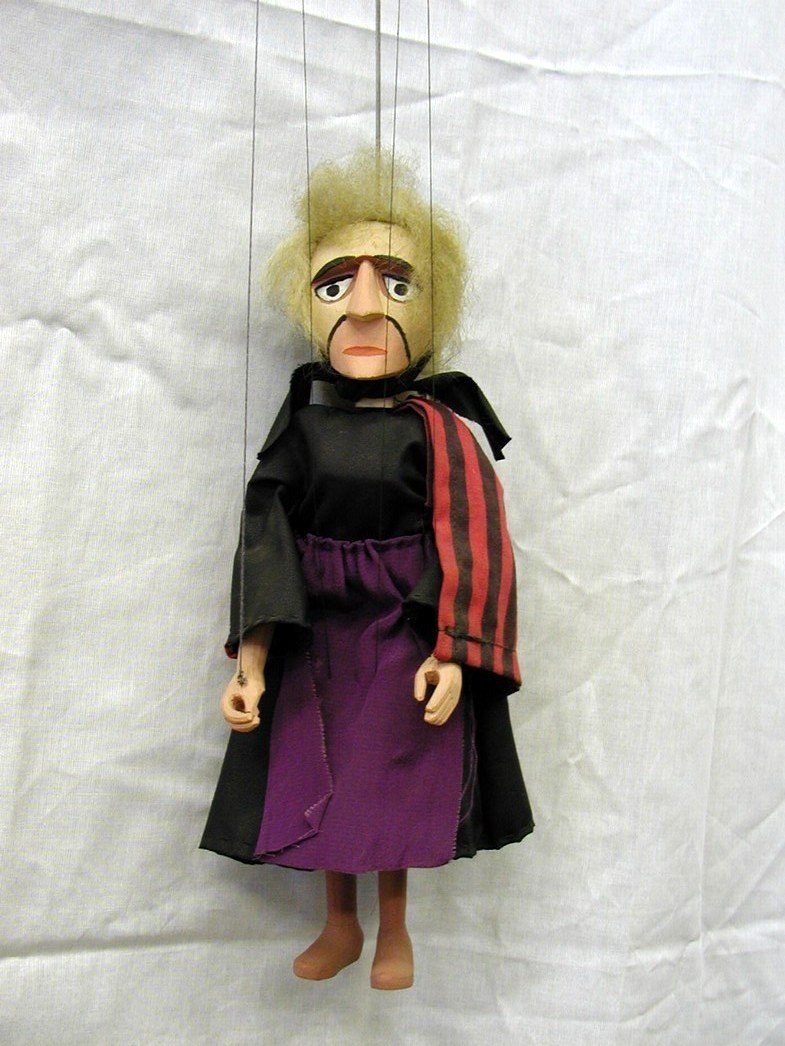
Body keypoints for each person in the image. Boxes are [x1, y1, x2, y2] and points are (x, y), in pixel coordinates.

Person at [201, 150, 533, 990]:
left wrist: (453, 649)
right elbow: (266, 537)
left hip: (402, 631)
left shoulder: (439, 435)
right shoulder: (301, 432)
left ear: (431, 309)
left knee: (395, 774)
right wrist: (251, 662)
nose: (361, 307)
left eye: (394, 284)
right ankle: (339, 922)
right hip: (316, 633)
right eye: (332, 285)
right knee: (319, 771)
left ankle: (394, 928)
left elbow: (471, 542)